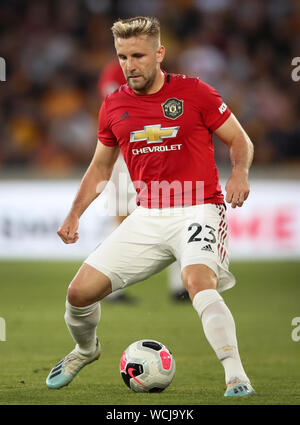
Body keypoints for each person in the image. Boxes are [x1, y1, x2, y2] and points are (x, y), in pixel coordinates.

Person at [46, 16, 255, 397]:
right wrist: (74, 213)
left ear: (160, 54)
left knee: (197, 283)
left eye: (138, 55)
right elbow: (100, 168)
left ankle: (236, 375)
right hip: (148, 216)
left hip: (199, 208)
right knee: (78, 295)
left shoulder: (196, 93)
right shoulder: (113, 106)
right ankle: (86, 350)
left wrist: (239, 173)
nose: (130, 65)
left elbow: (239, 140)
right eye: (123, 56)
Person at [98, 60, 188, 303]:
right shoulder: (116, 72)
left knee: (173, 213)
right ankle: (111, 288)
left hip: (159, 153)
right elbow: (115, 111)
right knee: (122, 218)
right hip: (126, 155)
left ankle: (181, 285)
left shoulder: (162, 76)